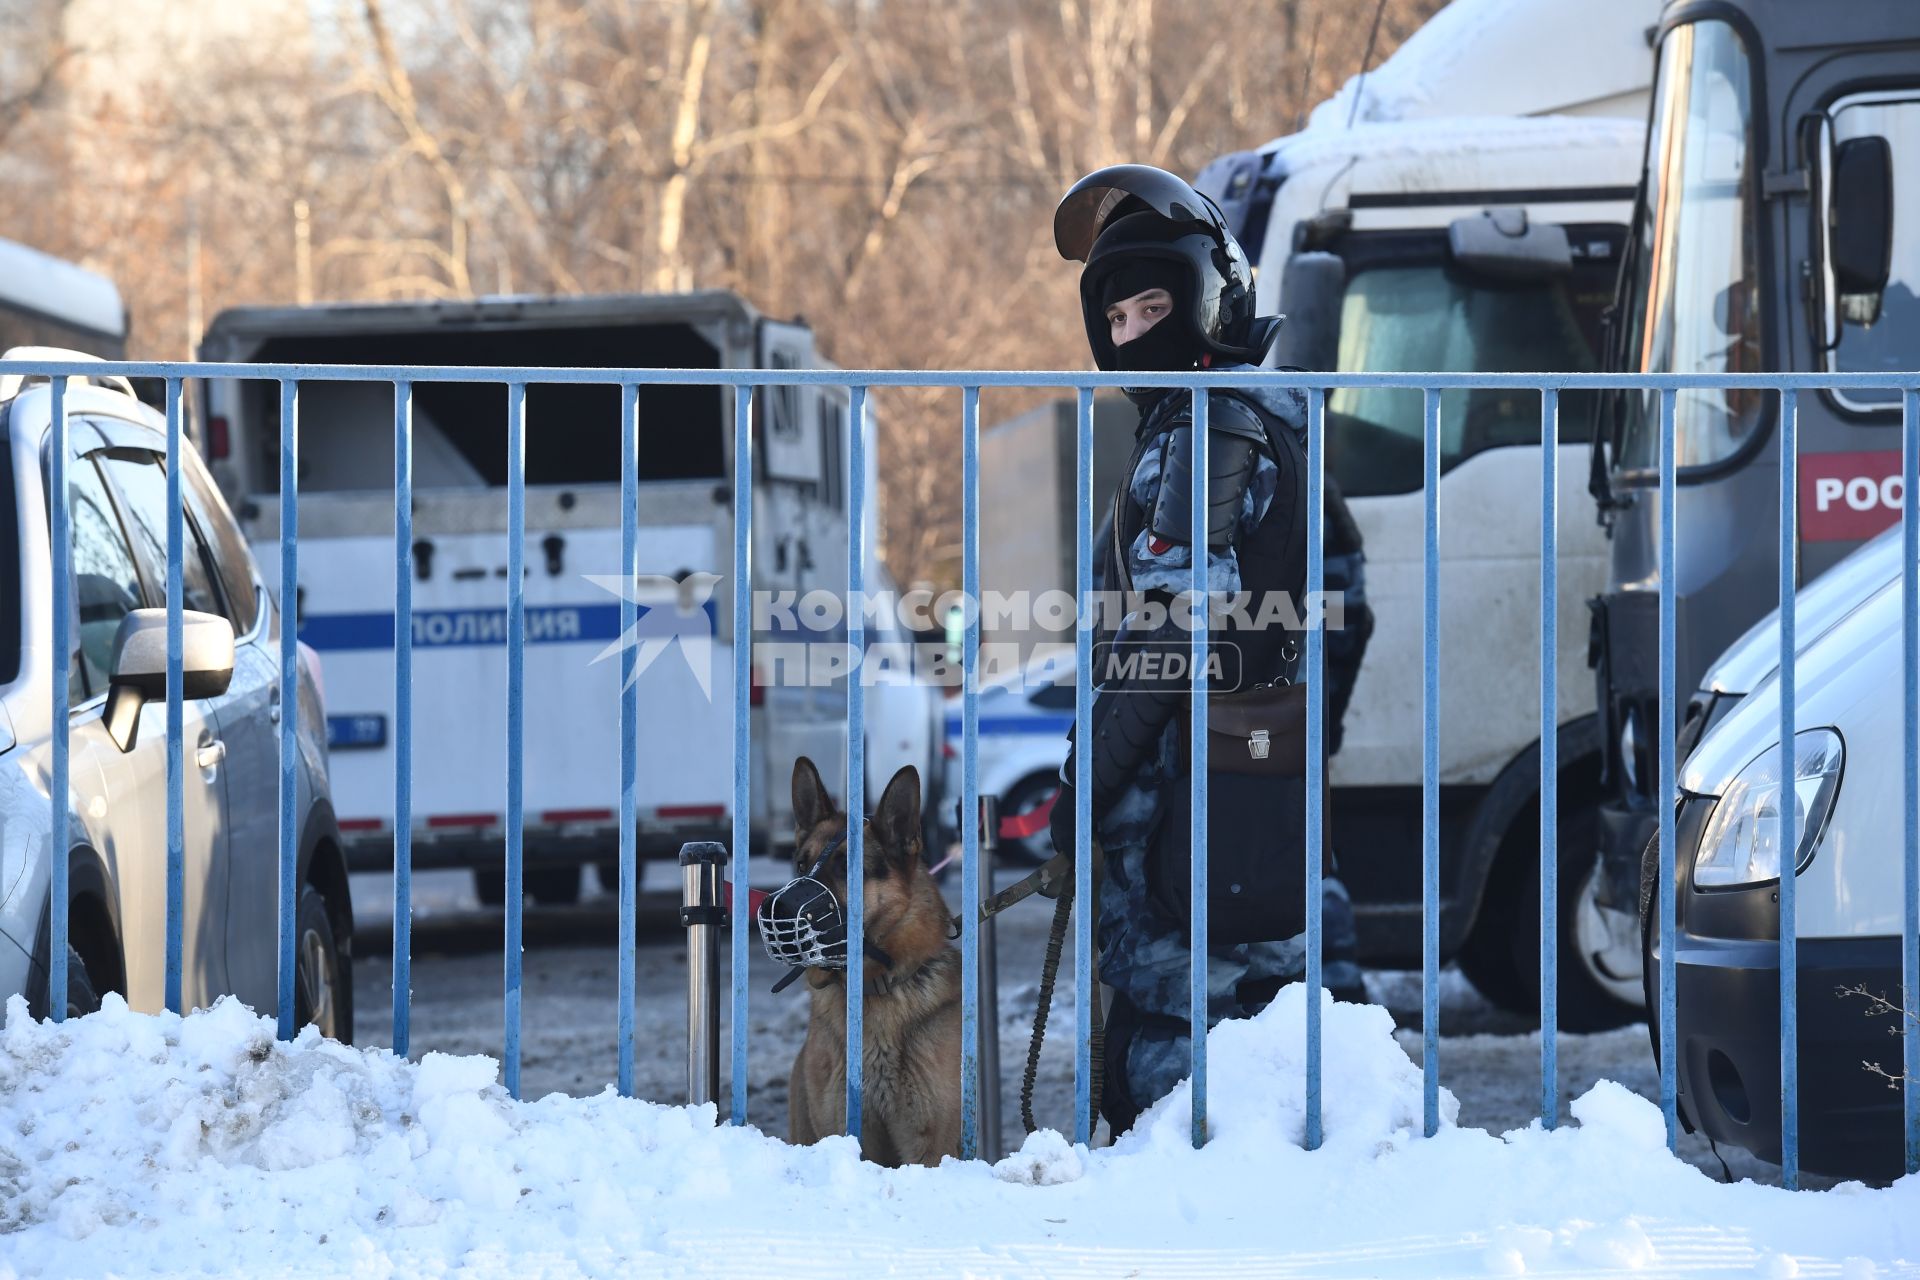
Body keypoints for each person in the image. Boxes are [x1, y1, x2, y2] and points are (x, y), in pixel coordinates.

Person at [1046, 165, 1363, 1136]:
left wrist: (1087, 782)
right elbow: (1347, 607)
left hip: (1189, 819)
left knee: (1181, 1073)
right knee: (1296, 1035)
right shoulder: (1274, 415)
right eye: (1122, 316)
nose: (1138, 331)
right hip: (1244, 795)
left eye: (1158, 303)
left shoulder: (1208, 427)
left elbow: (1178, 633)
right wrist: (1283, 730)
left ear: (1212, 298)